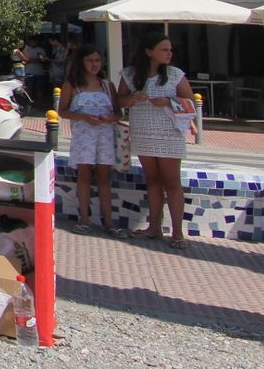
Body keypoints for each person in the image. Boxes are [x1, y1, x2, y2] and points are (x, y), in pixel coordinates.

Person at [117, 31, 195, 249]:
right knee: (152, 180)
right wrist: (133, 98)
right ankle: (154, 226)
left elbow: (191, 102)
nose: (169, 53)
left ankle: (177, 232)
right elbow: (119, 101)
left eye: (170, 50)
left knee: (172, 182)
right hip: (143, 131)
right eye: (164, 49)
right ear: (149, 52)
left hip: (168, 133)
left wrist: (169, 101)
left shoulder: (174, 74)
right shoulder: (130, 74)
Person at [59, 45, 123, 237]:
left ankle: (109, 221)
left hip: (105, 135)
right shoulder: (72, 85)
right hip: (83, 136)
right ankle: (84, 219)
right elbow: (62, 111)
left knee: (104, 176)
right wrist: (84, 117)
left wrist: (109, 118)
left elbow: (118, 113)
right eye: (90, 61)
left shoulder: (107, 86)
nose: (94, 65)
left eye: (97, 60)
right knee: (84, 175)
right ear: (81, 62)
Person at [22, 35, 49, 112]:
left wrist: (33, 60)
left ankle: (40, 104)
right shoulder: (26, 49)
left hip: (39, 72)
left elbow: (43, 60)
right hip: (28, 72)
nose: (33, 43)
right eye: (32, 41)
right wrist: (33, 60)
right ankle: (28, 104)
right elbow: (25, 60)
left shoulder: (41, 50)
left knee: (39, 88)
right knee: (29, 88)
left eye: (35, 41)